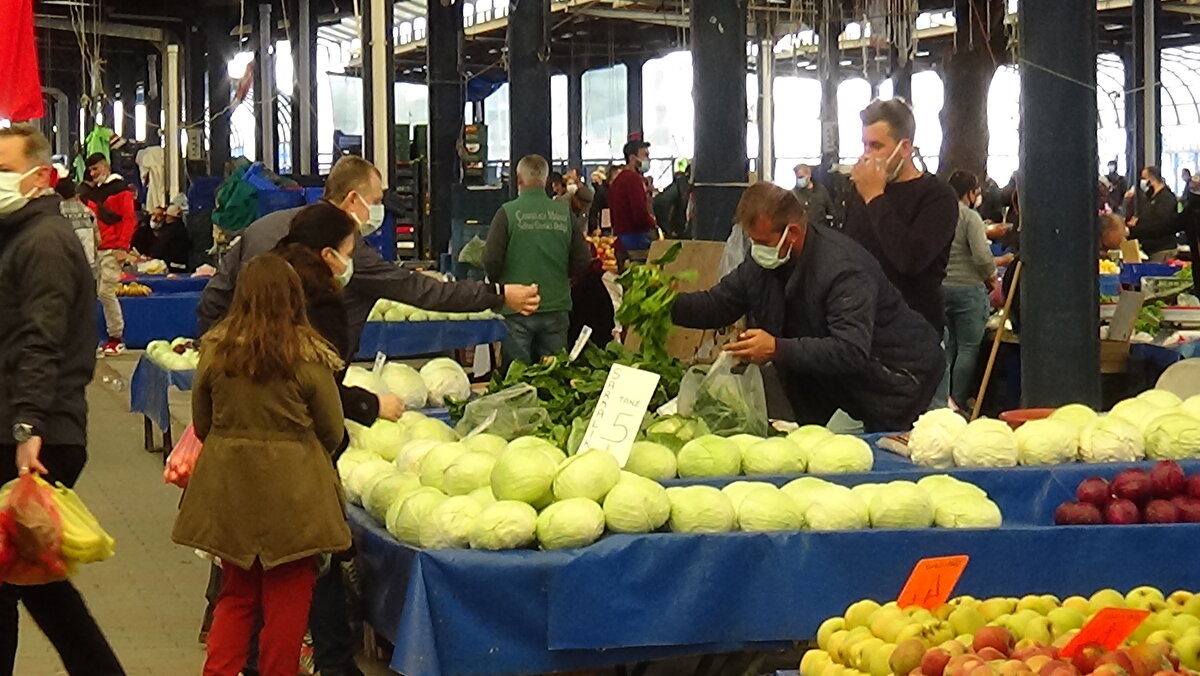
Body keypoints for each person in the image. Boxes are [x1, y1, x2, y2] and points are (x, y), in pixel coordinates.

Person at [174, 254, 351, 676]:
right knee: (288, 600)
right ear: (294, 299)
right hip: (295, 496)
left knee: (235, 596)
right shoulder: (309, 356)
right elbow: (332, 429)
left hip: (230, 492)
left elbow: (201, 421)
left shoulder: (216, 352)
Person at [0, 124, 126, 675]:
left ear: (39, 176)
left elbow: (41, 338)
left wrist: (28, 427)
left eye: (3, 169)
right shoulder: (19, 236)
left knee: (25, 581)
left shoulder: (44, 243)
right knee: (32, 583)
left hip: (35, 435)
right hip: (27, 427)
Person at [671, 182, 943, 431]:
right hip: (841, 386)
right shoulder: (762, 264)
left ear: (793, 232)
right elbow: (718, 304)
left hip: (900, 380)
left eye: (763, 242)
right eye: (752, 241)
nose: (756, 249)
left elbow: (850, 348)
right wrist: (665, 304)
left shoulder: (842, 270)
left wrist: (776, 348)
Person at [197, 155, 541, 348]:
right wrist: (497, 294)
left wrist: (217, 355)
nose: (377, 211)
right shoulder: (349, 256)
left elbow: (216, 296)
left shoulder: (263, 226)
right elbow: (423, 290)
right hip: (303, 382)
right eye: (375, 202)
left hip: (244, 371)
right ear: (352, 200)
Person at [843, 98, 958, 334]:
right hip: (863, 325)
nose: (867, 156)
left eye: (876, 146)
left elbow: (910, 260)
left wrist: (875, 197)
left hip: (913, 331)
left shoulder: (938, 196)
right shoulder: (859, 192)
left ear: (904, 148)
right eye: (864, 145)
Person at [483, 154, 593, 369]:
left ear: (518, 179)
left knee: (517, 379)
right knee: (553, 379)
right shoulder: (564, 214)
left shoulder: (507, 213)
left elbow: (491, 260)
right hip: (556, 304)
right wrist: (561, 278)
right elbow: (583, 259)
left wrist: (502, 287)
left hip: (516, 308)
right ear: (545, 181)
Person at [941, 171, 997, 409]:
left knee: (948, 346)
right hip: (968, 289)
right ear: (970, 193)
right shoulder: (969, 217)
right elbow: (982, 256)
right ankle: (959, 402)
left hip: (941, 288)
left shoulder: (938, 215)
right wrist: (992, 277)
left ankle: (942, 401)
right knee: (968, 347)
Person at [80, 152, 136, 356]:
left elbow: (129, 219)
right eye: (91, 170)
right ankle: (105, 337)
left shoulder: (121, 190)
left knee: (105, 292)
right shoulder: (94, 192)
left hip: (114, 250)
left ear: (105, 166)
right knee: (97, 293)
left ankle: (116, 337)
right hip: (98, 250)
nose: (93, 173)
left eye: (95, 168)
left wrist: (123, 247)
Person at [608, 139, 657, 268]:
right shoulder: (632, 180)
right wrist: (653, 223)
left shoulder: (619, 180)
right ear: (632, 158)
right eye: (645, 155)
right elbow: (639, 213)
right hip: (636, 244)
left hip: (622, 242)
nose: (648, 159)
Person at [1129, 165, 1179, 262]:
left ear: (1151, 179)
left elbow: (1161, 225)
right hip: (1149, 249)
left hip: (1162, 250)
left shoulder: (1166, 198)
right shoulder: (1149, 198)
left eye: (1144, 178)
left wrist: (1137, 227)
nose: (1141, 181)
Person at [55, 177, 99, 276]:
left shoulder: (57, 212)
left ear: (58, 194)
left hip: (66, 264)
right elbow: (98, 237)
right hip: (89, 262)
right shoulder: (87, 211)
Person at [792, 163, 837, 227]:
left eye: (801, 177)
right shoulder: (794, 194)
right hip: (803, 229)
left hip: (821, 229)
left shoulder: (821, 190)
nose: (799, 180)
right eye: (797, 178)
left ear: (809, 175)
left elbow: (831, 210)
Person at [150, 203, 192, 273]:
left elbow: (160, 246)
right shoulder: (181, 228)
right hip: (181, 265)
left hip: (172, 266)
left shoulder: (171, 230)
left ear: (170, 216)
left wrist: (153, 255)